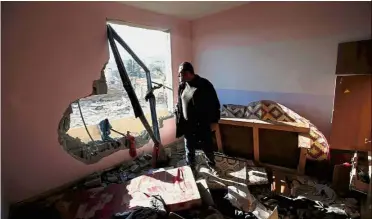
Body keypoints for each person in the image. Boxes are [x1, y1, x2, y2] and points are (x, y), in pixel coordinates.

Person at [175, 62, 221, 168]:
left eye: (180, 74)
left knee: (207, 147)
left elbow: (215, 103)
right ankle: (191, 168)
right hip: (187, 125)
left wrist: (215, 121)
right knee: (189, 148)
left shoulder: (205, 84)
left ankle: (211, 164)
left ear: (188, 73)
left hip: (202, 124)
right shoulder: (182, 86)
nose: (179, 77)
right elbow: (181, 102)